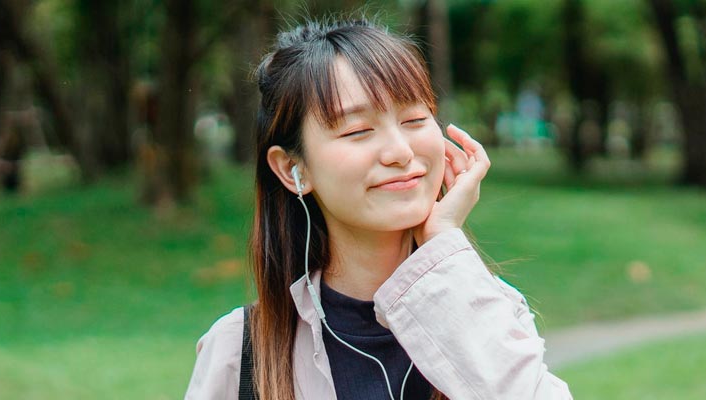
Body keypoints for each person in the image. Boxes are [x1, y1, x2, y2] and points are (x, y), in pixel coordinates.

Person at [184, 18, 572, 400]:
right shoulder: (241, 355)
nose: (401, 152)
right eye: (357, 131)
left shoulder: (490, 312)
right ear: (293, 168)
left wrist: (443, 245)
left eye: (415, 120)